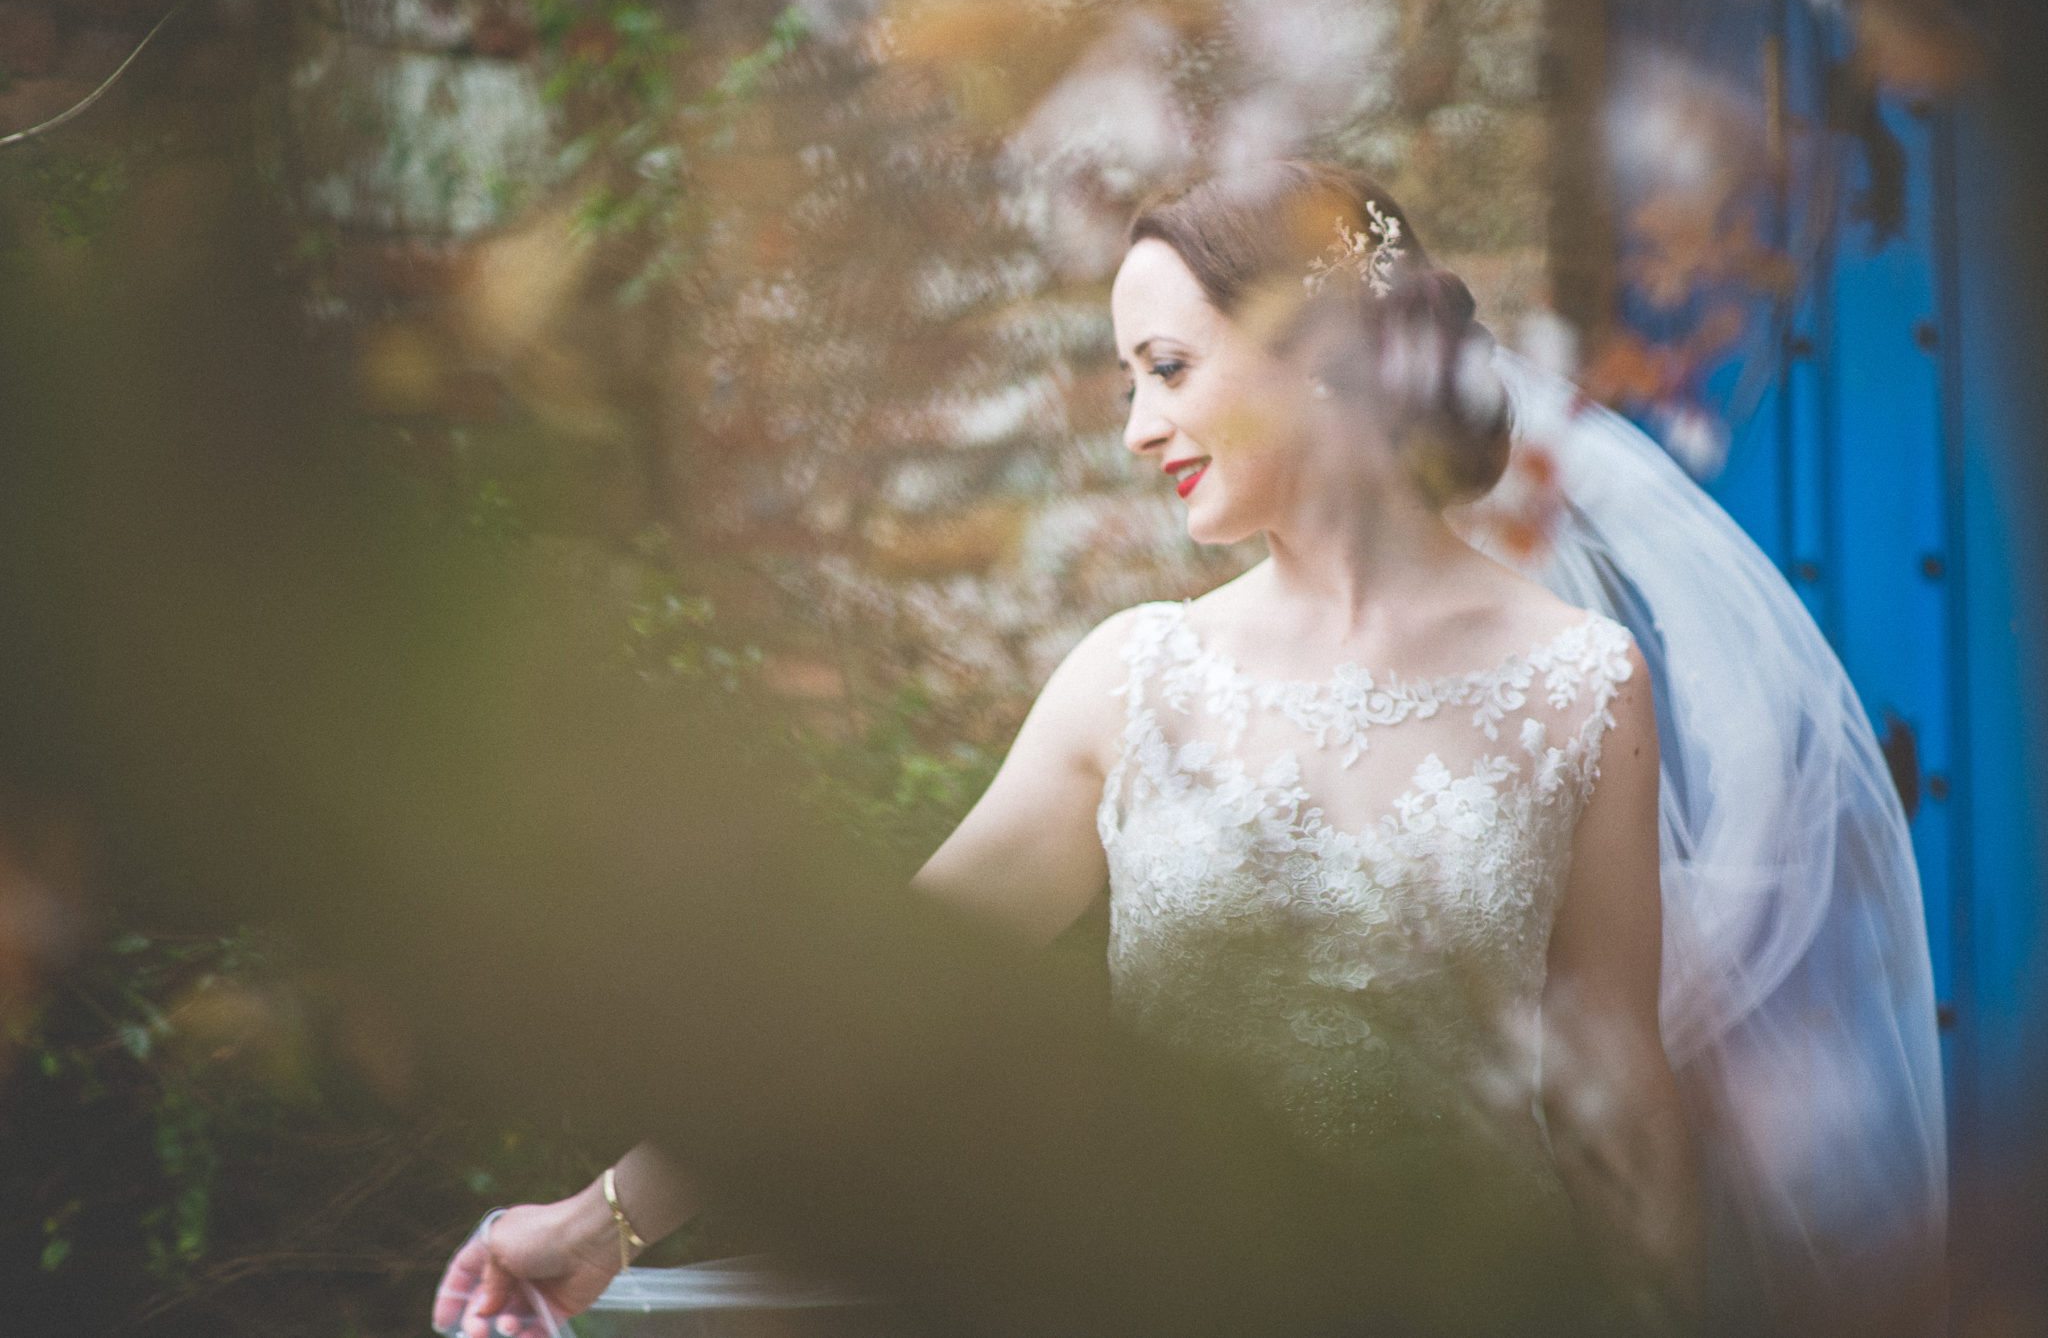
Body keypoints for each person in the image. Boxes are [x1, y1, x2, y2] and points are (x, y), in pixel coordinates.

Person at [438, 160, 1945, 1338]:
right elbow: (873, 1006)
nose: (1134, 422)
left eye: (1164, 365)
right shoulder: (1133, 682)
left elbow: (1626, 1127)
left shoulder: (1581, 683)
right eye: (1124, 380)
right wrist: (602, 1216)